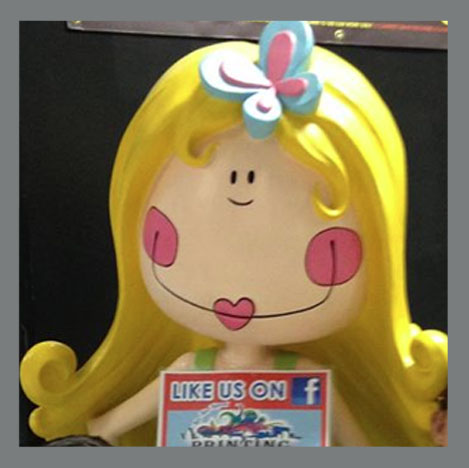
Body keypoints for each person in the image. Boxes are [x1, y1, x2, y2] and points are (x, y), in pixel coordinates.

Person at [20, 21, 447, 446]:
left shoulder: (308, 382)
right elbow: (107, 427)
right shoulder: (191, 371)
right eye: (167, 243)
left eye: (326, 256)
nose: (236, 298)